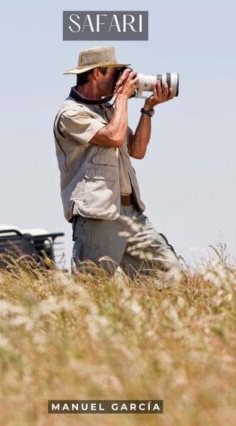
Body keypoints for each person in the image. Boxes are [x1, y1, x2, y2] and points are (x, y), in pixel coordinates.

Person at [53, 46, 182, 285]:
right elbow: (113, 136)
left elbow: (137, 150)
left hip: (130, 211)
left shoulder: (109, 110)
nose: (120, 79)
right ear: (96, 73)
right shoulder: (70, 114)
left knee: (168, 276)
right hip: (99, 213)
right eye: (116, 72)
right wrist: (122, 97)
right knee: (90, 290)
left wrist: (148, 108)